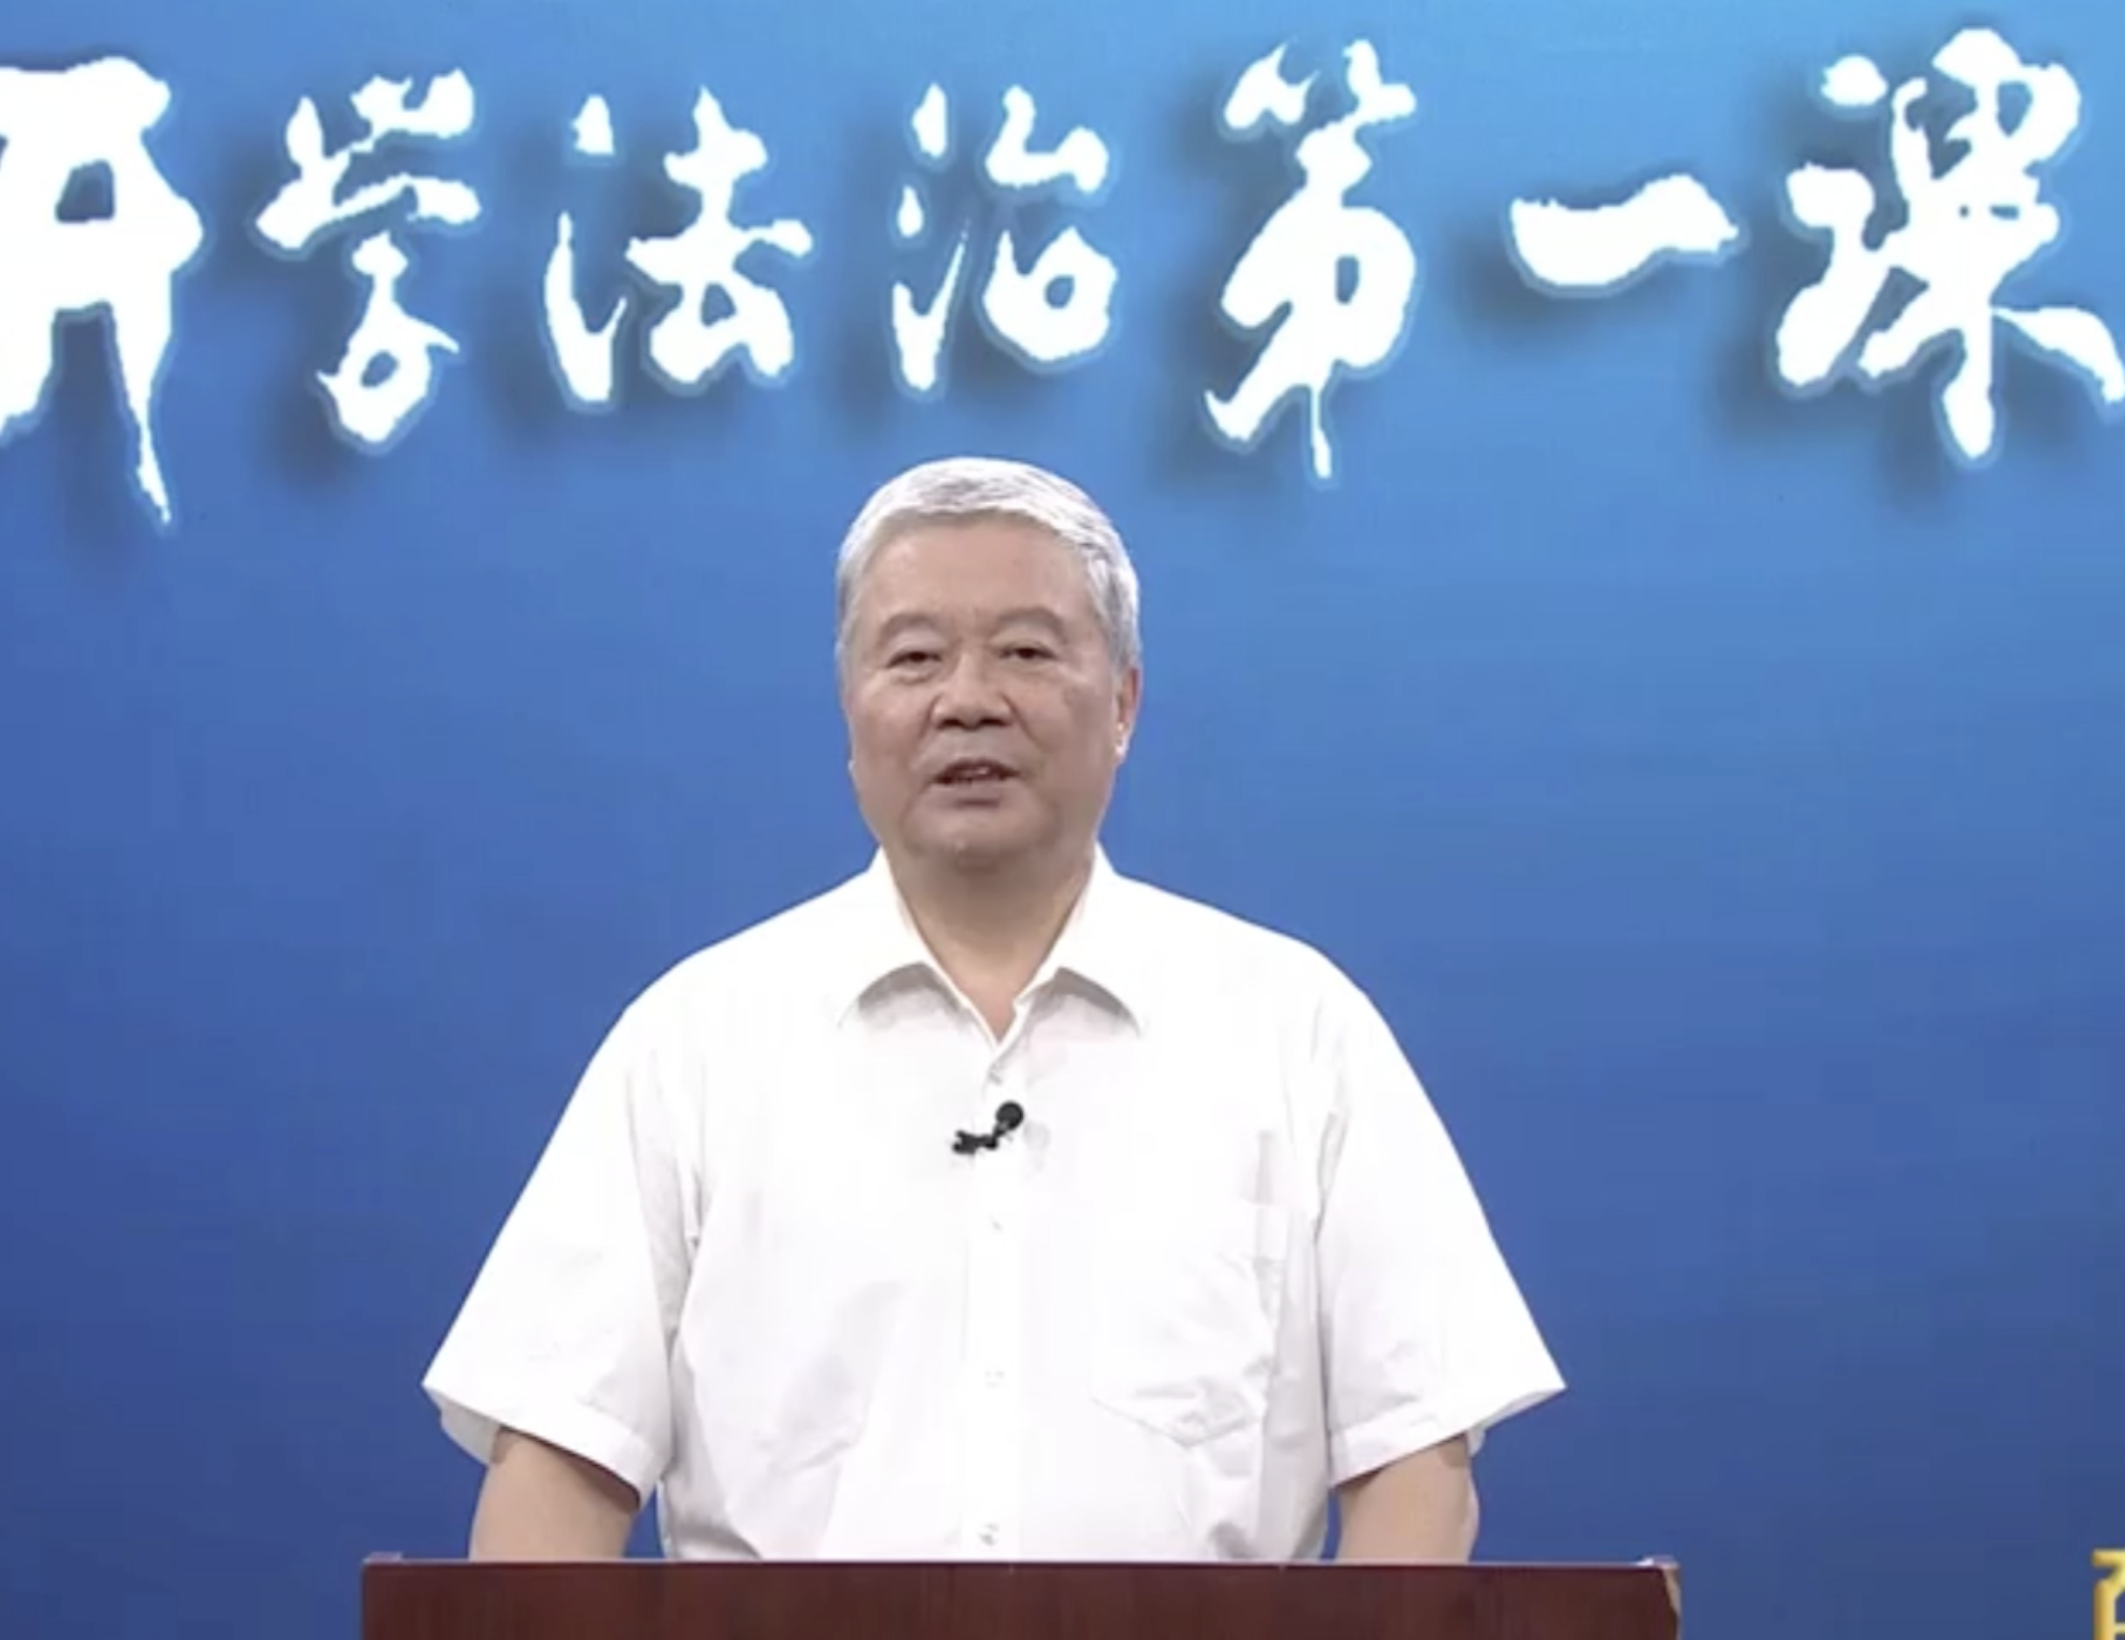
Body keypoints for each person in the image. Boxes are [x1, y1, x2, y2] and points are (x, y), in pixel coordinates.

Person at [420, 455, 1563, 1563]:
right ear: (850, 708)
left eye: (1024, 650)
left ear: (1123, 701)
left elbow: (1416, 1460)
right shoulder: (697, 1041)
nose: (967, 700)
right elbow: (555, 1464)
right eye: (914, 656)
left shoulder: (1295, 1030)